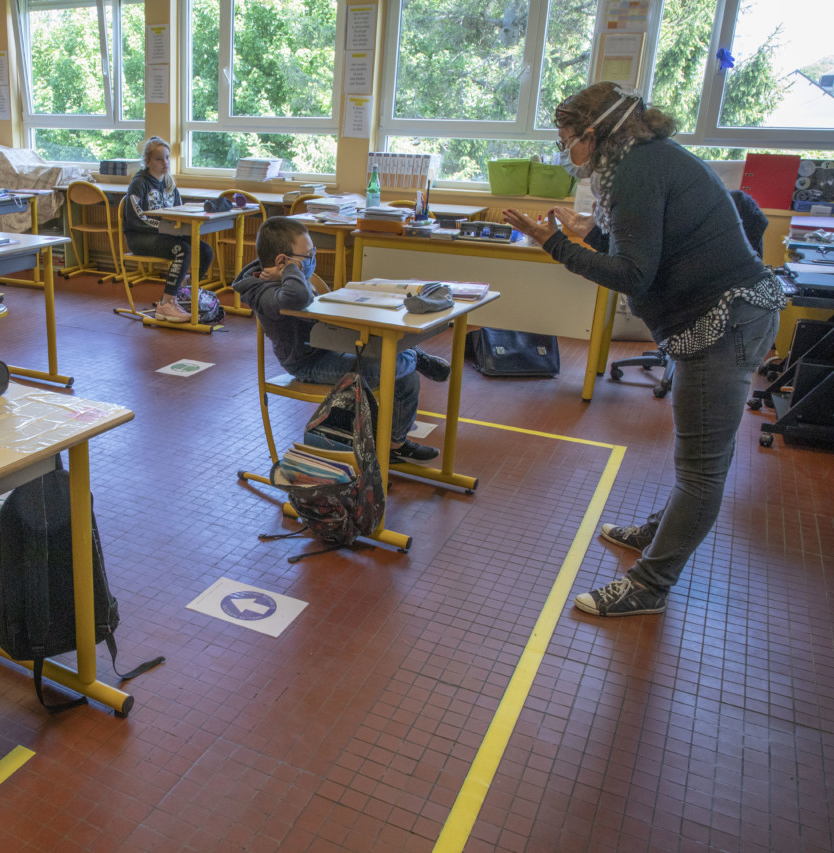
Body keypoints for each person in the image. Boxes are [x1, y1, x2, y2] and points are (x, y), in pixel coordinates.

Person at [502, 82, 785, 617]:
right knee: (700, 460)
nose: (566, 151)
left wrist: (554, 243)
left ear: (593, 133)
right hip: (727, 317)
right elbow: (648, 249)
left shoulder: (636, 169)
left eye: (567, 139)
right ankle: (659, 531)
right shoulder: (644, 158)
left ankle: (649, 585)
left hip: (725, 323)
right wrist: (590, 233)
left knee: (702, 471)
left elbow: (633, 274)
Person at [232, 217, 450, 462]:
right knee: (397, 362)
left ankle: (394, 444)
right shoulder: (263, 293)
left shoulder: (285, 278)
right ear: (282, 261)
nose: (312, 260)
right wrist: (292, 269)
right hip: (308, 364)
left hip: (329, 345)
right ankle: (414, 357)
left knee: (405, 373)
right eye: (308, 256)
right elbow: (297, 297)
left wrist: (292, 268)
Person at [122, 136, 214, 323]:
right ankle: (166, 303)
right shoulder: (139, 183)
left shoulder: (169, 182)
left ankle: (184, 289)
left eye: (167, 158)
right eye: (159, 159)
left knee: (205, 250)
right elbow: (136, 217)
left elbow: (178, 211)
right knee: (183, 250)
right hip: (141, 237)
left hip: (166, 234)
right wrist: (165, 227)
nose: (165, 162)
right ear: (147, 161)